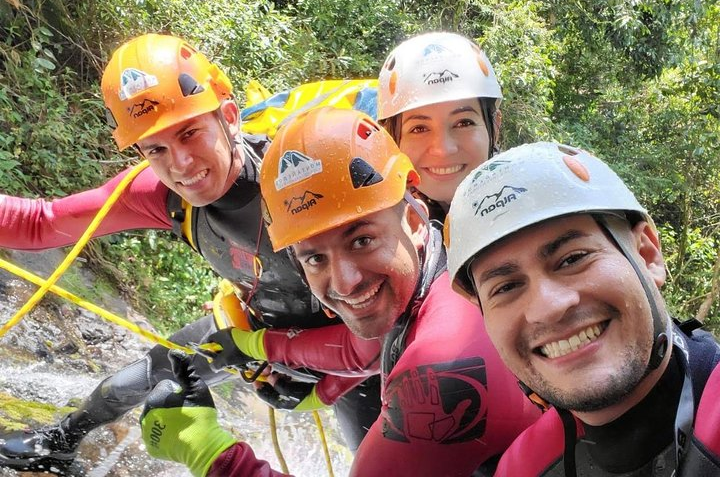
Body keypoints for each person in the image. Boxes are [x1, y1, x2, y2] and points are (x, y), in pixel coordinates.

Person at [0, 33, 381, 474]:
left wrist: (327, 384)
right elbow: (41, 222)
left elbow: (388, 316)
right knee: (144, 376)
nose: (180, 163)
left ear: (229, 117)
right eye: (156, 149)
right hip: (259, 331)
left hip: (359, 350)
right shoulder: (159, 195)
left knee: (377, 460)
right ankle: (57, 444)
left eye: (190, 133)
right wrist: (262, 347)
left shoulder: (300, 173)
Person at [139, 107, 541, 477]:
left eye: (362, 241)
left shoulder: (445, 364)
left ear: (414, 218)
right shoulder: (436, 281)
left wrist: (206, 451)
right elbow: (361, 353)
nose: (345, 282)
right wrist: (283, 369)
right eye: (315, 259)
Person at [444, 142, 720, 476]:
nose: (547, 308)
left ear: (647, 255)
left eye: (573, 259)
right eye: (506, 287)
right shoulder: (524, 467)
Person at [377, 32, 502, 219]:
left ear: (495, 126)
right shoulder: (379, 229)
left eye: (463, 123)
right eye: (419, 128)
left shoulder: (533, 207)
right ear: (391, 139)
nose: (443, 149)